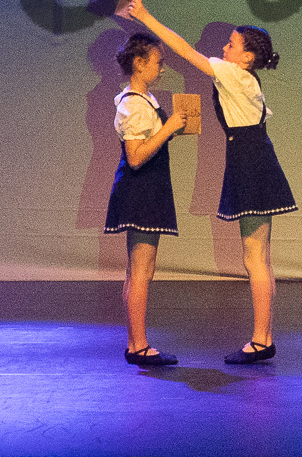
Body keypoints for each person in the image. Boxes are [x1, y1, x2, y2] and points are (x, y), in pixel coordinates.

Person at [126, 0, 296, 365]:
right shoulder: (245, 78)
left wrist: (144, 15)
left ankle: (261, 340)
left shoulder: (234, 74)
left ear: (246, 57)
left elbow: (185, 52)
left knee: (254, 257)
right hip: (255, 158)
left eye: (231, 45)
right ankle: (264, 337)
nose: (224, 48)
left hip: (250, 163)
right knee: (260, 257)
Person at [106, 33, 188, 366]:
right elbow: (136, 156)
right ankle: (138, 346)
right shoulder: (134, 104)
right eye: (158, 62)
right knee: (141, 271)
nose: (162, 68)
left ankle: (135, 343)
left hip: (147, 189)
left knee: (138, 270)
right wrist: (167, 129)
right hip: (141, 190)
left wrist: (169, 130)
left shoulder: (143, 100)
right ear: (139, 64)